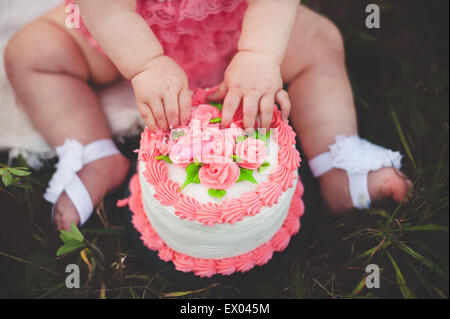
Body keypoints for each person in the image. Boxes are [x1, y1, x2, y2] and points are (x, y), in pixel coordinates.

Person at [4, 0, 412, 231]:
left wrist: (259, 55)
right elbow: (106, 9)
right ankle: (92, 153)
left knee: (319, 41)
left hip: (237, 28)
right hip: (128, 35)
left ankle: (336, 158)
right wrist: (145, 65)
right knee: (31, 52)